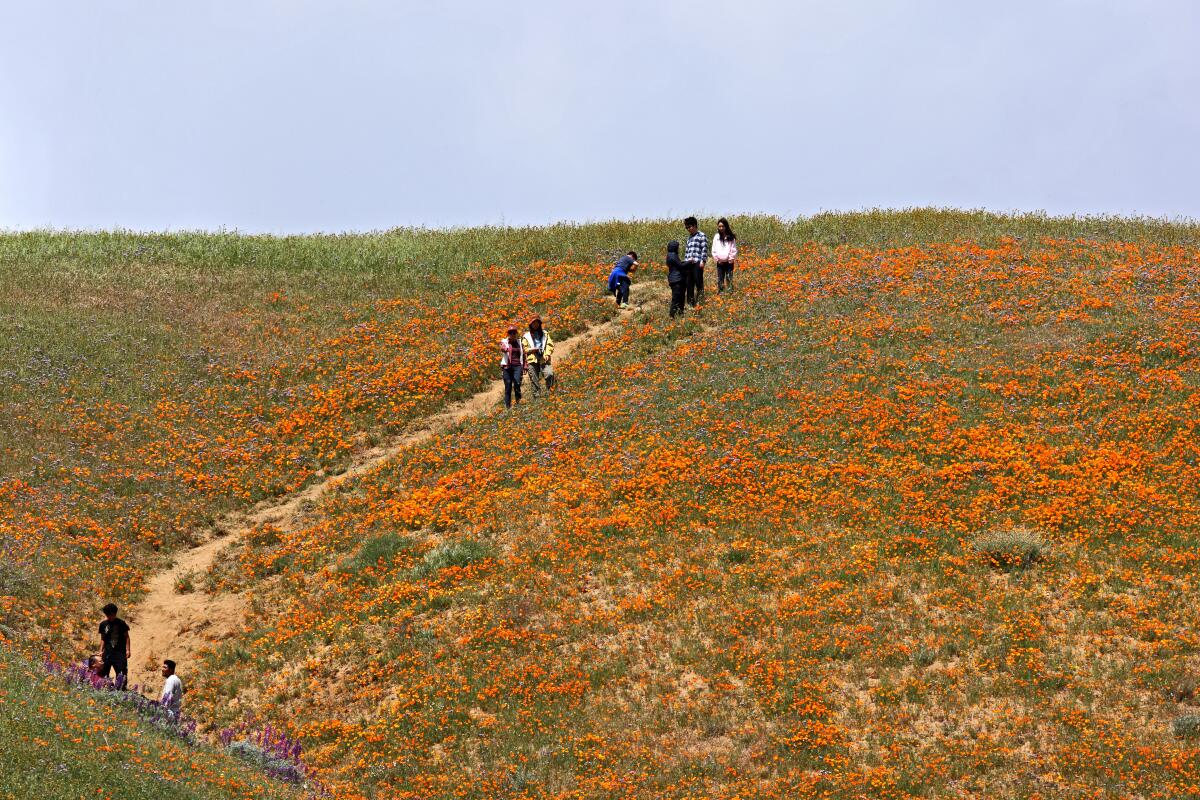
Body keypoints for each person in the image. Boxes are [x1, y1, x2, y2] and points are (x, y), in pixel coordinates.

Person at [98, 603, 130, 685]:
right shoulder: (103, 624)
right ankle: (105, 689)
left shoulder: (121, 623)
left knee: (122, 674)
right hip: (107, 652)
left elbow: (127, 637)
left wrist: (128, 650)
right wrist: (100, 650)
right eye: (107, 615)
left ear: (114, 613)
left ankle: (121, 691)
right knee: (103, 673)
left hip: (120, 653)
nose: (109, 616)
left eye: (111, 614)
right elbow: (103, 639)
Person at [522, 316, 555, 396]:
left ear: (539, 324)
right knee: (534, 379)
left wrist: (547, 353)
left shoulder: (545, 334)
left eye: (537, 322)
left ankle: (551, 393)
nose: (535, 324)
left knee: (549, 374)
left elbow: (549, 344)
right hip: (532, 360)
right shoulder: (526, 336)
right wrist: (531, 350)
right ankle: (537, 397)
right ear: (531, 324)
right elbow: (524, 348)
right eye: (533, 323)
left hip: (544, 358)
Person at [683, 217, 709, 307]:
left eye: (689, 227)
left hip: (698, 263)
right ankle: (690, 303)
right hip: (689, 264)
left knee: (699, 282)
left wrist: (703, 261)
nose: (688, 229)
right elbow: (687, 252)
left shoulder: (701, 235)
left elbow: (704, 249)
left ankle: (700, 302)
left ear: (694, 225)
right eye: (686, 227)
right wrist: (685, 263)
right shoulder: (689, 238)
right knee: (689, 284)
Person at [500, 325, 526, 408]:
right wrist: (506, 349)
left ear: (516, 333)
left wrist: (525, 365)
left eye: (514, 332)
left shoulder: (520, 342)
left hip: (518, 366)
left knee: (517, 383)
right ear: (508, 334)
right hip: (507, 367)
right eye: (510, 332)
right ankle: (508, 406)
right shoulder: (504, 341)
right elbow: (503, 348)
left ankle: (519, 403)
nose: (512, 334)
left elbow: (524, 354)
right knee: (508, 385)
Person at [712, 217, 738, 292]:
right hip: (720, 262)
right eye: (719, 226)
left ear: (726, 226)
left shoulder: (731, 237)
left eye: (722, 226)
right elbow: (714, 249)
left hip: (729, 262)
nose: (721, 228)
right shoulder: (716, 236)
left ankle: (730, 294)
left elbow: (733, 249)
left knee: (729, 278)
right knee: (720, 279)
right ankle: (721, 294)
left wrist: (731, 259)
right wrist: (717, 259)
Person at [665, 240, 688, 318]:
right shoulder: (673, 255)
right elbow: (680, 266)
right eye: (677, 247)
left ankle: (679, 314)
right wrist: (689, 262)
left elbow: (678, 264)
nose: (678, 248)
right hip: (677, 279)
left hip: (674, 279)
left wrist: (684, 262)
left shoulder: (669, 255)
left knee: (680, 297)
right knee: (677, 298)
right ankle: (672, 316)